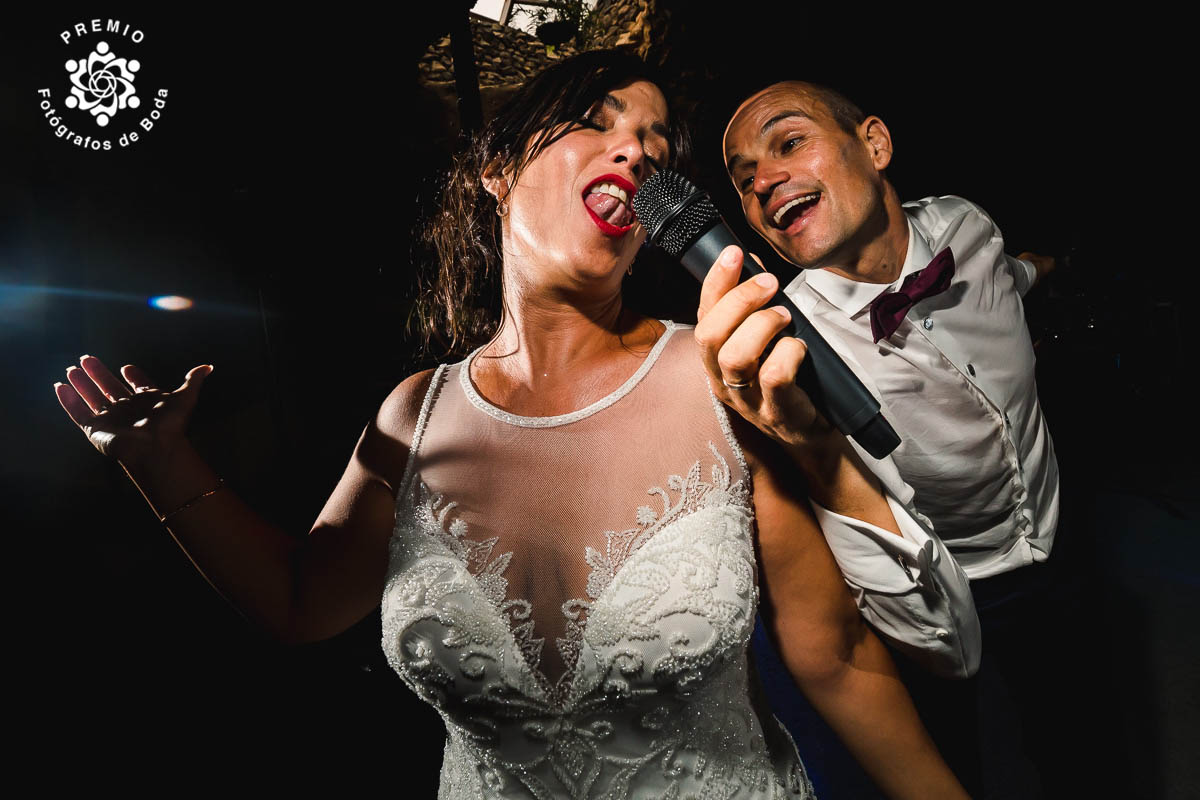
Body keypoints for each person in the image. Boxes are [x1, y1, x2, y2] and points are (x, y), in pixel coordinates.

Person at [53, 52, 970, 799]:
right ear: (497, 169)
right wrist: (158, 462)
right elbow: (300, 603)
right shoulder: (415, 412)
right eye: (599, 120)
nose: (636, 151)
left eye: (654, 141)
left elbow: (840, 658)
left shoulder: (719, 375)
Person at [714, 79, 1069, 798]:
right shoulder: (789, 345)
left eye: (788, 143)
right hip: (941, 594)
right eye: (746, 181)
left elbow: (1008, 275)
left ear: (873, 145)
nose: (764, 182)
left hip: (1059, 546)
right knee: (952, 764)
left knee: (1074, 740)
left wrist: (1051, 269)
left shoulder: (966, 226)